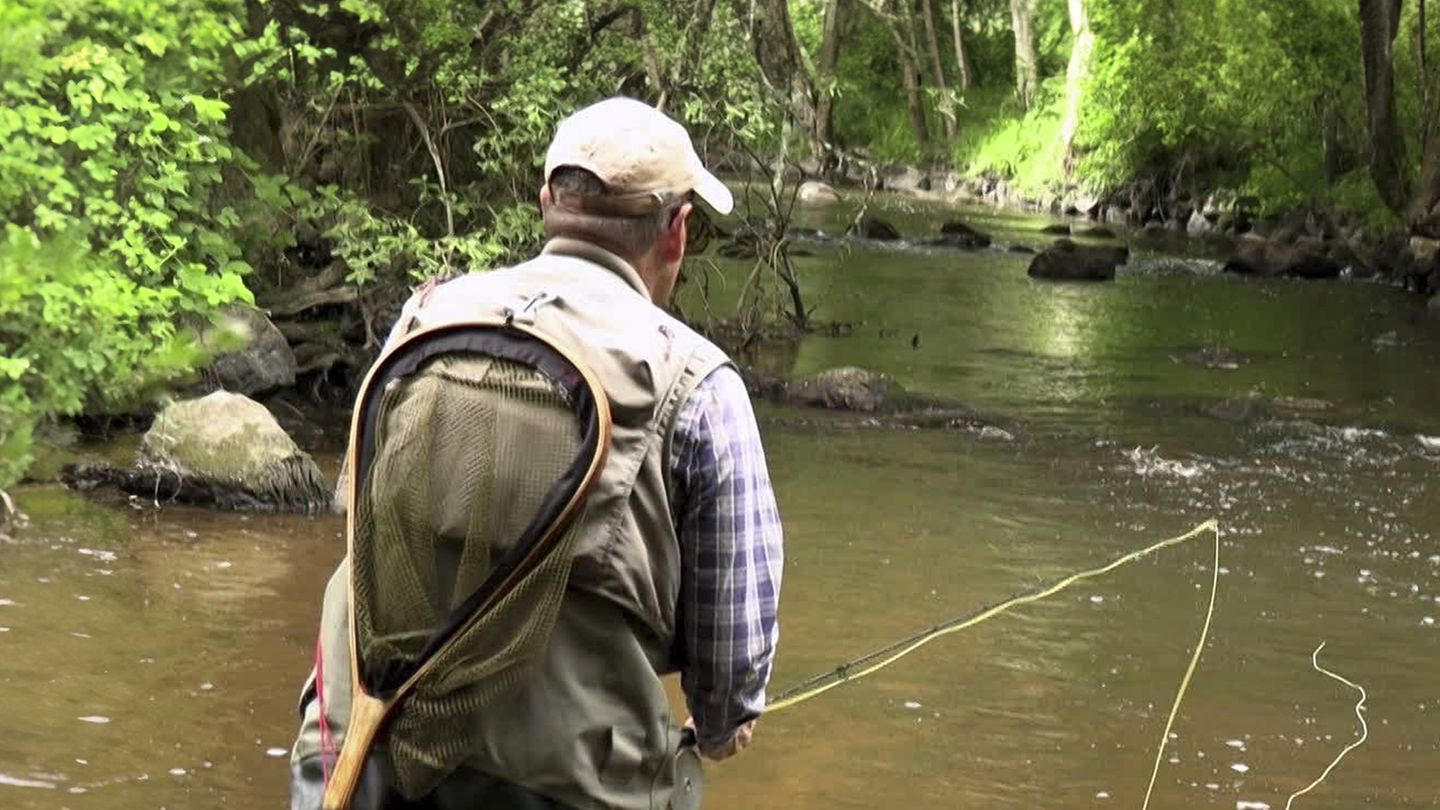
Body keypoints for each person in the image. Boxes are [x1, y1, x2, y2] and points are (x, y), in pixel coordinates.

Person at [289, 96, 784, 810]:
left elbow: (356, 516)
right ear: (676, 231)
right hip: (561, 789)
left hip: (352, 754)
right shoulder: (699, 384)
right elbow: (732, 679)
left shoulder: (425, 315)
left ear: (548, 200)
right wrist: (718, 726)